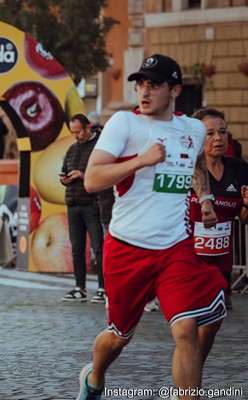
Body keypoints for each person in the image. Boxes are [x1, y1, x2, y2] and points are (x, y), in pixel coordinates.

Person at [77, 54, 227, 400]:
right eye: (140, 84)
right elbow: (93, 179)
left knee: (188, 327)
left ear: (174, 89)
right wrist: (141, 160)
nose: (144, 92)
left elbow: (198, 164)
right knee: (118, 336)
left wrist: (204, 200)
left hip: (174, 247)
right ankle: (94, 375)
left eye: (154, 84)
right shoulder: (124, 124)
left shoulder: (191, 128)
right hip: (127, 248)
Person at [189, 107, 248, 311]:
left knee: (214, 322)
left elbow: (244, 218)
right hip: (188, 265)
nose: (218, 138)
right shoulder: (186, 168)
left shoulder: (239, 169)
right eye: (210, 133)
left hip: (222, 267)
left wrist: (247, 204)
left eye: (222, 132)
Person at [59, 114, 106, 304]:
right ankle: (80, 288)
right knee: (77, 248)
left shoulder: (100, 148)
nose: (76, 135)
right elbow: (63, 171)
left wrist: (82, 174)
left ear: (88, 127)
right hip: (73, 204)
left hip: (92, 204)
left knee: (99, 247)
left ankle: (103, 288)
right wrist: (65, 179)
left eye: (78, 131)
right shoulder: (72, 149)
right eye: (73, 132)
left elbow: (103, 174)